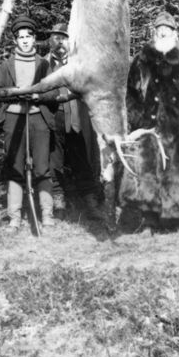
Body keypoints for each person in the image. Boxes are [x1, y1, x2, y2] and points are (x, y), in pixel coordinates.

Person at [120, 12, 179, 228]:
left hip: (175, 128)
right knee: (146, 171)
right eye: (159, 29)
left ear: (176, 33)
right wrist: (138, 118)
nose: (163, 32)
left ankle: (175, 217)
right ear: (154, 32)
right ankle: (149, 218)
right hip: (148, 126)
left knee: (176, 172)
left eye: (168, 29)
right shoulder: (141, 60)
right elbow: (130, 93)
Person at [0, 16, 57, 233]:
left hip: (38, 119)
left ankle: (47, 214)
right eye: (21, 37)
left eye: (29, 36)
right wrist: (17, 93)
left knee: (42, 167)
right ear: (15, 41)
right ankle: (15, 217)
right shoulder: (7, 65)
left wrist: (38, 96)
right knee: (15, 167)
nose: (25, 41)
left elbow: (54, 91)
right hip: (14, 119)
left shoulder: (43, 64)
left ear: (34, 38)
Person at [44, 22, 99, 219]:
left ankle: (91, 201)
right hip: (53, 117)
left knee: (82, 159)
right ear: (50, 40)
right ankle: (58, 199)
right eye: (56, 38)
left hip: (77, 117)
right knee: (54, 160)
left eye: (64, 38)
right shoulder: (43, 64)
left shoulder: (80, 64)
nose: (60, 43)